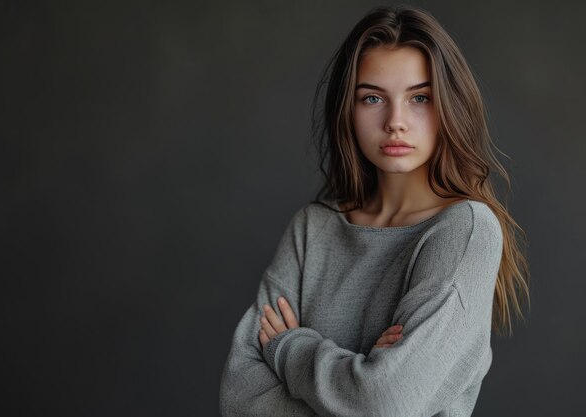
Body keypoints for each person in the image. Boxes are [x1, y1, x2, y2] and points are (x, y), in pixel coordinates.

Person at [219, 5, 530, 417]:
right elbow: (239, 400)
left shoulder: (465, 230)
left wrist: (289, 347)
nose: (395, 121)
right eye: (372, 98)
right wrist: (360, 376)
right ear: (348, 110)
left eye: (420, 97)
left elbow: (384, 401)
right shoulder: (312, 229)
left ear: (450, 107)